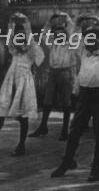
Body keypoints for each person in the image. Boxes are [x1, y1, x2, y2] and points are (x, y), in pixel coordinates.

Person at [51, 15, 99, 182]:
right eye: (87, 39)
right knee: (74, 132)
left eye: (93, 39)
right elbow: (74, 40)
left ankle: (96, 169)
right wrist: (78, 24)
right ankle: (67, 162)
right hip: (84, 96)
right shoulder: (83, 53)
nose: (88, 42)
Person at [0, 13, 44, 157]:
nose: (19, 40)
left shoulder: (32, 51)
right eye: (17, 37)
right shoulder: (14, 51)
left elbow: (34, 46)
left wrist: (26, 22)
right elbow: (9, 37)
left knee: (22, 115)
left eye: (22, 37)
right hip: (11, 82)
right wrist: (11, 22)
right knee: (1, 109)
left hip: (23, 83)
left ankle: (21, 145)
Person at [29, 11, 78, 141]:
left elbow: (72, 30)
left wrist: (67, 18)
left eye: (61, 35)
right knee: (47, 100)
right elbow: (45, 33)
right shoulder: (52, 45)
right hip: (53, 73)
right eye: (56, 35)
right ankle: (43, 126)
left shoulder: (70, 45)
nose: (58, 37)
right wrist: (50, 20)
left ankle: (64, 130)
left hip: (65, 74)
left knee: (66, 102)